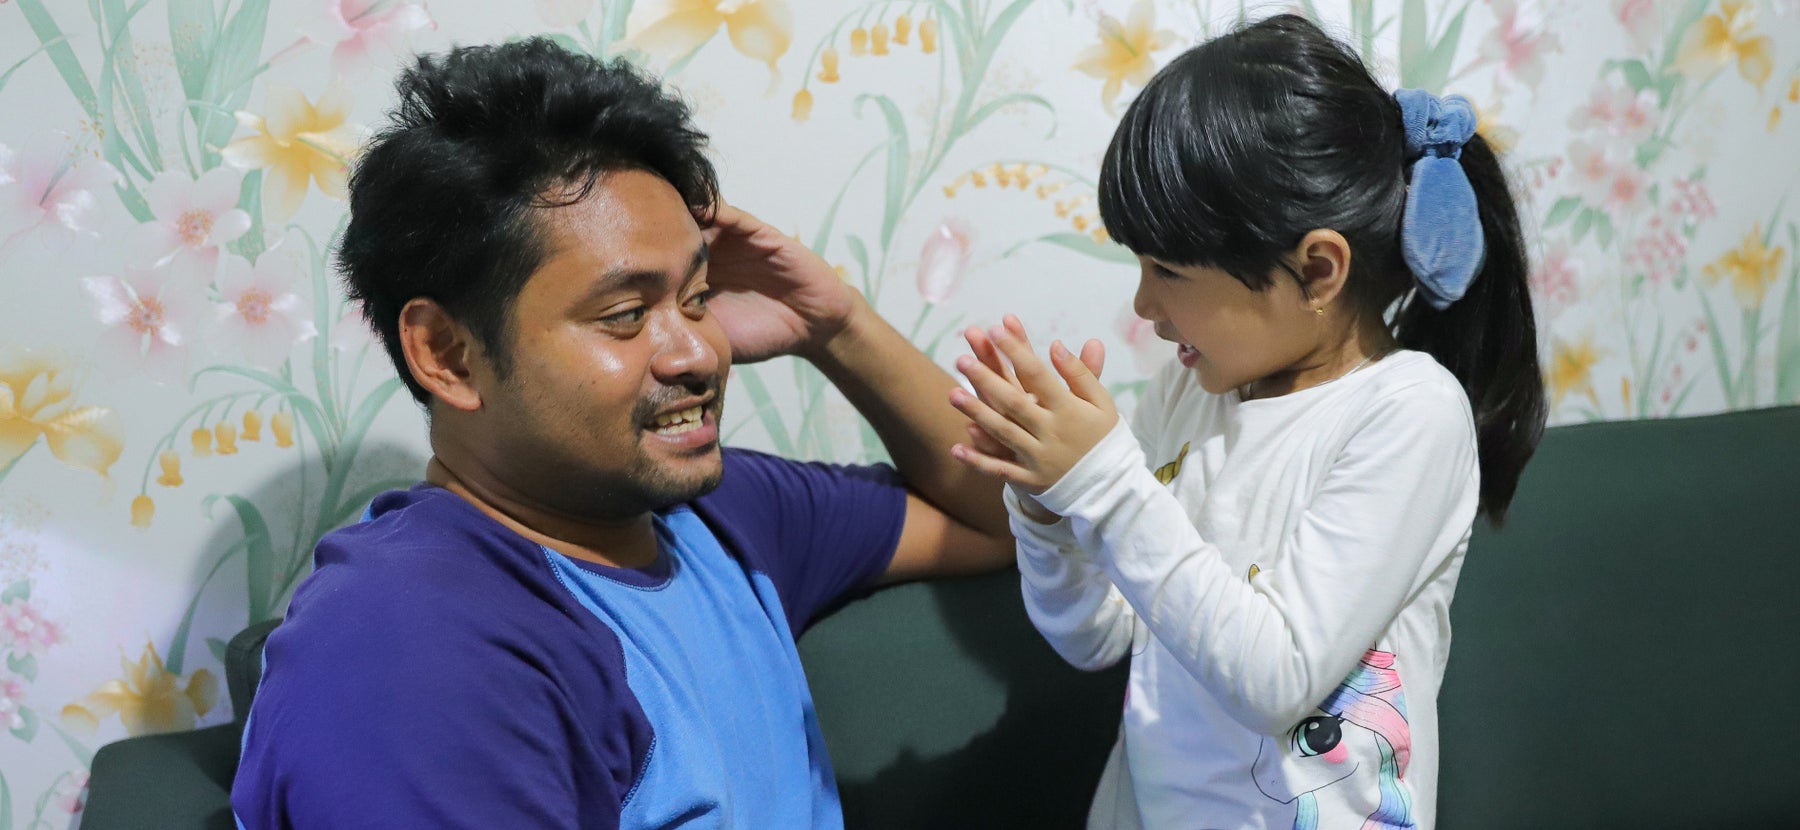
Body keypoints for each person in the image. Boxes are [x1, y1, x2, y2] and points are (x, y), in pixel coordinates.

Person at [230, 38, 1023, 829]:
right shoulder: (410, 653)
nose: (697, 352)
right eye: (626, 315)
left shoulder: (719, 516)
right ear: (449, 355)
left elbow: (1004, 518)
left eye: (699, 297)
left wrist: (837, 325)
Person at [943, 14, 1546, 830]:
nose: (1145, 305)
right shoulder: (1189, 394)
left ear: (1317, 270)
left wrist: (1108, 486)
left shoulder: (1408, 412)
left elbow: (1277, 677)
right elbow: (1094, 640)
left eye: (1169, 270)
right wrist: (1050, 510)